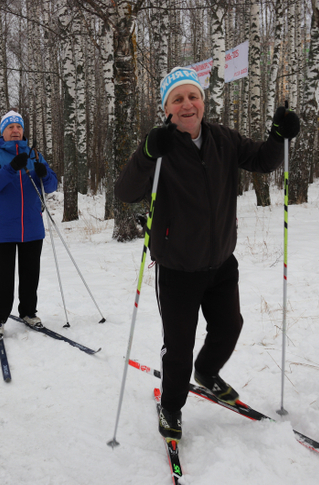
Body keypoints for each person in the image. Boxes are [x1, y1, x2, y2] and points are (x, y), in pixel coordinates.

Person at [114, 67, 300, 440]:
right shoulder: (160, 147)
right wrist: (148, 151)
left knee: (230, 327)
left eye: (192, 96)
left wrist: (279, 136)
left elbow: (263, 161)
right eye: (177, 99)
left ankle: (208, 371)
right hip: (178, 267)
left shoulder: (223, 139)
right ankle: (171, 407)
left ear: (203, 102)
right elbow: (126, 190)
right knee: (178, 348)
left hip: (220, 262)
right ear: (166, 108)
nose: (187, 105)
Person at [0, 110, 58, 336]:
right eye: (10, 127)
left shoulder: (35, 155)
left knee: (30, 274)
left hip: (32, 225)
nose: (15, 131)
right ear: (3, 132)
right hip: (4, 225)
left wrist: (44, 174)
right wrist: (11, 167)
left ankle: (28, 312)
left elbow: (51, 186)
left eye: (18, 127)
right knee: (2, 276)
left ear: (23, 131)